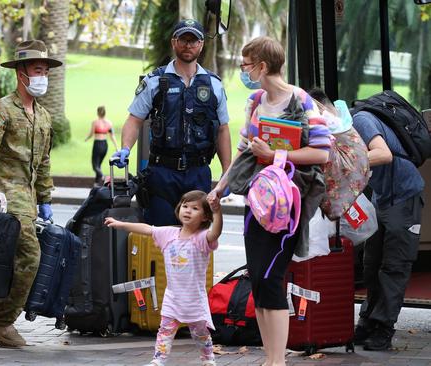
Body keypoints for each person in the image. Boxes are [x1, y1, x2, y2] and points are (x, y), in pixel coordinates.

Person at [209, 36, 330, 366]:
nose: (243, 71)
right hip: (257, 202)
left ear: (262, 66)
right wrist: (220, 186)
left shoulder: (302, 101)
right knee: (258, 278)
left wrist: (276, 153)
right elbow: (242, 150)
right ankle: (270, 357)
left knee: (271, 277)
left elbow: (321, 151)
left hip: (287, 204)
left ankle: (278, 360)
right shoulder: (255, 101)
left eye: (246, 64)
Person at [0, 39, 60, 348]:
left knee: (12, 262)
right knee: (30, 257)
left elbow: (43, 162)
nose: (42, 75)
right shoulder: (1, 111)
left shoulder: (43, 116)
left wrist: (45, 198)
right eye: (36, 69)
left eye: (45, 69)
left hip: (28, 200)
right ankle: (3, 322)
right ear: (21, 73)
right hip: (3, 196)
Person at [310, 91, 424, 351]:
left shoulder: (360, 120)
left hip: (404, 197)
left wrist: (342, 164)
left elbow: (384, 155)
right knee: (371, 265)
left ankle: (384, 329)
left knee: (394, 266)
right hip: (381, 198)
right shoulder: (340, 131)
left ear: (321, 108)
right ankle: (367, 323)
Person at [111, 19, 231, 226]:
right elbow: (134, 119)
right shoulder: (155, 81)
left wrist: (226, 173)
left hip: (198, 172)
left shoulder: (213, 85)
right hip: (162, 174)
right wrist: (125, 149)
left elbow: (222, 129)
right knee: (160, 237)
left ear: (201, 45)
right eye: (183, 39)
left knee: (197, 239)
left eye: (193, 41)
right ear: (173, 42)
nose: (188, 45)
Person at [105, 190, 222, 366]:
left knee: (200, 333)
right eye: (185, 206)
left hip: (194, 299)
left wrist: (218, 212)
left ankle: (208, 358)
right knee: (165, 330)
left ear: (205, 216)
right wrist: (120, 224)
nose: (188, 211)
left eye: (195, 208)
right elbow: (146, 229)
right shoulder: (168, 234)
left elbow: (216, 233)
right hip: (172, 297)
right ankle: (158, 360)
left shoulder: (201, 239)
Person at [85, 105, 118, 186]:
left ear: (97, 113)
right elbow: (112, 136)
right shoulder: (109, 123)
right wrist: (117, 147)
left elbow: (91, 134)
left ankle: (102, 176)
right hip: (105, 145)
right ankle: (96, 183)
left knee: (95, 165)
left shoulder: (95, 122)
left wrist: (86, 138)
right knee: (98, 165)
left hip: (97, 144)